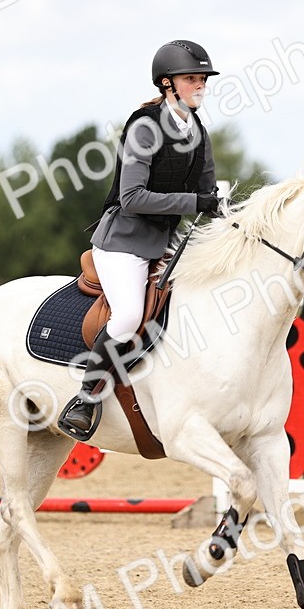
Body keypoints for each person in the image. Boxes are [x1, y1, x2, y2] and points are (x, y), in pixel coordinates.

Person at [58, 40, 222, 440]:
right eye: (190, 79)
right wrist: (197, 201)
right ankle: (86, 396)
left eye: (202, 79)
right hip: (124, 243)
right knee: (129, 315)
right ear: (167, 84)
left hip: (167, 242)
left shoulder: (198, 132)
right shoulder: (145, 128)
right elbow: (132, 198)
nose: (199, 85)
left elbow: (209, 194)